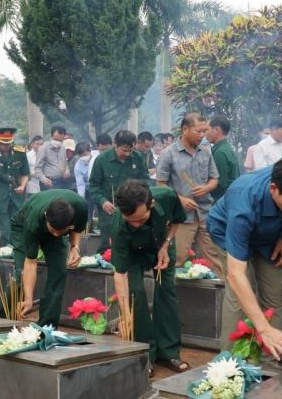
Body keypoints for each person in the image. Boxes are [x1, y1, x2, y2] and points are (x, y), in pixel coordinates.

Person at [206, 154, 282, 365]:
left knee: (273, 296)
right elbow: (236, 274)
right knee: (238, 296)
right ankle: (230, 365)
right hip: (227, 231)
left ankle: (269, 365)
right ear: (273, 189)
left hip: (270, 237)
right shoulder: (243, 204)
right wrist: (262, 327)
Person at [112, 179, 188, 376]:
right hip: (133, 253)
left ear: (151, 204)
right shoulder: (120, 227)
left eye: (141, 218)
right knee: (135, 294)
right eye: (131, 221)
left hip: (162, 243)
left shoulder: (168, 196)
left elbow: (176, 220)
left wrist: (165, 245)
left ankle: (169, 351)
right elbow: (120, 274)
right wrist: (126, 314)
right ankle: (145, 352)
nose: (136, 224)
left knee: (166, 290)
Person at [156, 113, 221, 273]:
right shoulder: (168, 154)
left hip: (205, 213)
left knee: (215, 257)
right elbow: (161, 185)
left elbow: (214, 179)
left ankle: (221, 293)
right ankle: (175, 293)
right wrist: (180, 200)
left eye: (205, 131)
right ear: (185, 129)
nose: (203, 135)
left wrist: (206, 188)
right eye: (198, 131)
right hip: (182, 216)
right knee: (178, 257)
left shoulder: (205, 152)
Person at [16, 190, 87, 328]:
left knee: (59, 271)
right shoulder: (33, 222)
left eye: (60, 232)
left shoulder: (80, 207)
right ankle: (6, 321)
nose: (55, 234)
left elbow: (77, 228)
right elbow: (30, 263)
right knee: (19, 273)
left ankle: (47, 327)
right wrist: (29, 299)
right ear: (46, 216)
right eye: (53, 230)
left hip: (57, 223)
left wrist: (74, 247)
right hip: (23, 222)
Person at [89, 130, 150, 254]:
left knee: (132, 241)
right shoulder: (102, 160)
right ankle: (105, 269)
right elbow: (93, 186)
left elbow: (146, 179)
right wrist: (102, 201)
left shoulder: (137, 157)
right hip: (110, 208)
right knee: (109, 242)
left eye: (130, 150)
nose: (127, 154)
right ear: (115, 143)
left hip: (133, 207)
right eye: (124, 150)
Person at [0, 128, 29, 247]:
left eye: (7, 143)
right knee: (3, 230)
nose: (4, 146)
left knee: (17, 226)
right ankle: (4, 254)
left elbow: (25, 174)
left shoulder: (20, 153)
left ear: (12, 141)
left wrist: (22, 186)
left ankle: (18, 253)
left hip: (15, 196)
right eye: (2, 143)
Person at [207, 115, 239, 202]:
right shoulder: (226, 148)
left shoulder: (220, 152)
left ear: (217, 130)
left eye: (207, 130)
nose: (205, 133)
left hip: (220, 201)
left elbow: (219, 183)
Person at [35, 125, 69, 191]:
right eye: (55, 139)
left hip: (61, 182)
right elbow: (37, 168)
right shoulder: (43, 149)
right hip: (48, 182)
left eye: (60, 140)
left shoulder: (63, 148)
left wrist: (67, 170)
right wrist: (43, 179)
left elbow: (64, 162)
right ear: (50, 137)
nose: (57, 142)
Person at [74, 141, 94, 227]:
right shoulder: (78, 167)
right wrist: (81, 199)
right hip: (88, 190)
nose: (83, 157)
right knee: (87, 211)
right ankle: (87, 229)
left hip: (101, 188)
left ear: (90, 151)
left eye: (84, 154)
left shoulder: (98, 156)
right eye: (80, 156)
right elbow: (80, 184)